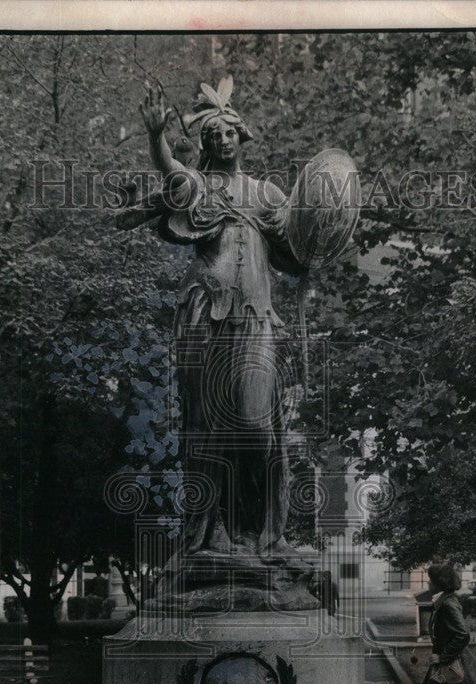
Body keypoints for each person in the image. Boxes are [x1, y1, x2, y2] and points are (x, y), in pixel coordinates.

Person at [137, 80, 305, 556]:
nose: (223, 140)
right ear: (206, 144)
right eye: (212, 136)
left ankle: (266, 532)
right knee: (209, 426)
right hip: (205, 315)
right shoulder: (198, 186)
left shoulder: (267, 195)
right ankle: (212, 530)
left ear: (241, 135)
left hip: (255, 318)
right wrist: (156, 137)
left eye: (229, 132)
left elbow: (302, 241)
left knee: (256, 424)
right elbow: (171, 173)